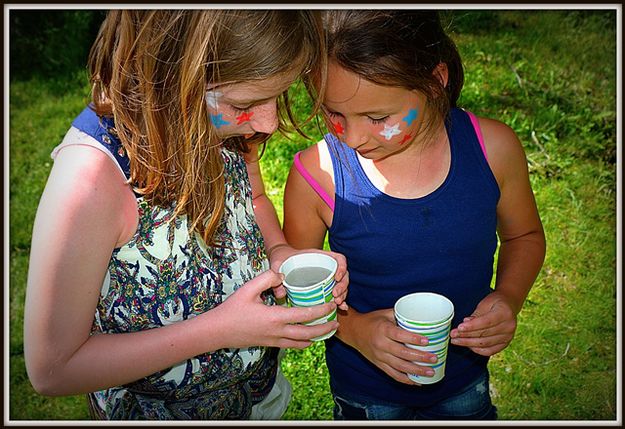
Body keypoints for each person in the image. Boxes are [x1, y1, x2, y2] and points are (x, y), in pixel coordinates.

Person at [24, 10, 349, 420]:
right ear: (171, 74)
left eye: (274, 97)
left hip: (258, 397)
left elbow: (253, 199)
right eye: (244, 103)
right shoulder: (91, 182)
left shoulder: (225, 128)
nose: (267, 122)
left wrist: (279, 249)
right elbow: (53, 369)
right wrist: (221, 330)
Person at [283, 10, 546, 420]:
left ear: (435, 79)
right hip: (366, 396)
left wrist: (508, 297)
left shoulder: (493, 149)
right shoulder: (317, 176)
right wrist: (356, 331)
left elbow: (524, 236)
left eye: (378, 118)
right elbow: (300, 295)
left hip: (466, 381)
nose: (352, 137)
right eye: (334, 113)